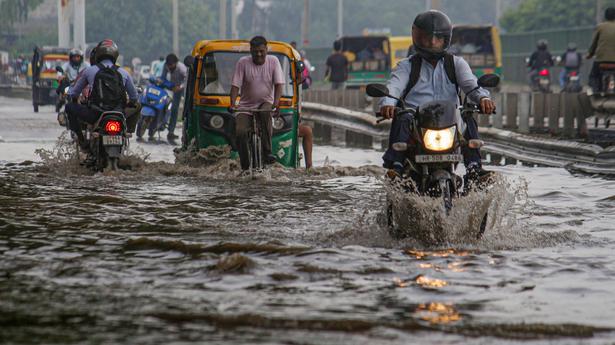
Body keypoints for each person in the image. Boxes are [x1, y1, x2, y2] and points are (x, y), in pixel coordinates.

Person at [379, 10, 495, 180]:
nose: (433, 42)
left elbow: (471, 85)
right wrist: (387, 103)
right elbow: (394, 87)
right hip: (416, 123)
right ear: (418, 37)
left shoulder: (456, 64)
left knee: (467, 114)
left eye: (438, 38)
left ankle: (474, 168)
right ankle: (396, 167)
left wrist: (484, 99)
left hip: (450, 122)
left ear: (445, 39)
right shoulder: (406, 66)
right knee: (402, 115)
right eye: (427, 37)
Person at [65, 39, 139, 152]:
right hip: (119, 114)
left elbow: (74, 93)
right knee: (138, 105)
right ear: (115, 55)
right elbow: (134, 97)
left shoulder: (89, 71)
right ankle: (127, 130)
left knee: (69, 107)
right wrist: (128, 104)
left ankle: (81, 140)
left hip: (96, 114)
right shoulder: (124, 73)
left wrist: (73, 97)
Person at [230, 35, 284, 171]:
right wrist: (232, 104)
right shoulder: (242, 63)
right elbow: (235, 86)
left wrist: (276, 103)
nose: (259, 54)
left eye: (261, 51)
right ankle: (245, 165)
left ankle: (267, 152)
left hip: (265, 103)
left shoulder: (274, 61)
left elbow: (279, 85)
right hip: (245, 107)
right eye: (255, 52)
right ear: (251, 51)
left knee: (266, 112)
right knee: (241, 132)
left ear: (266, 49)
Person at [161, 53, 187, 142]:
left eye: (171, 65)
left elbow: (187, 79)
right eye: (169, 65)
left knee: (187, 109)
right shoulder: (166, 66)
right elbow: (163, 78)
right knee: (174, 109)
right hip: (174, 87)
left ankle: (186, 132)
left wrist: (180, 87)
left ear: (176, 63)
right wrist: (170, 86)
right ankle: (171, 132)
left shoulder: (181, 68)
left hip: (184, 88)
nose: (170, 67)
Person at [587, 7, 615, 92]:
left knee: (594, 76)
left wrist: (590, 54)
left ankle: (596, 90)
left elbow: (594, 44)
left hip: (601, 59)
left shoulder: (600, 27)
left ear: (605, 16)